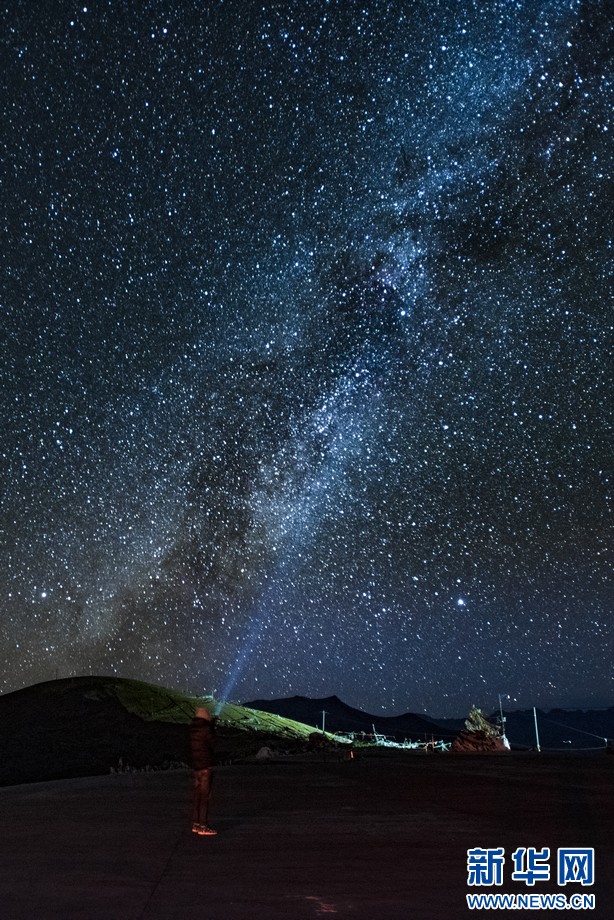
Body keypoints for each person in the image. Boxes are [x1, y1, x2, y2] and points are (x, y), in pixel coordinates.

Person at [189, 705, 217, 836]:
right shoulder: (206, 728)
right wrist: (212, 727)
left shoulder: (192, 729)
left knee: (197, 795)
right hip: (206, 766)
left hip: (196, 766)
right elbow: (213, 743)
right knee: (205, 797)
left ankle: (196, 823)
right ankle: (204, 825)